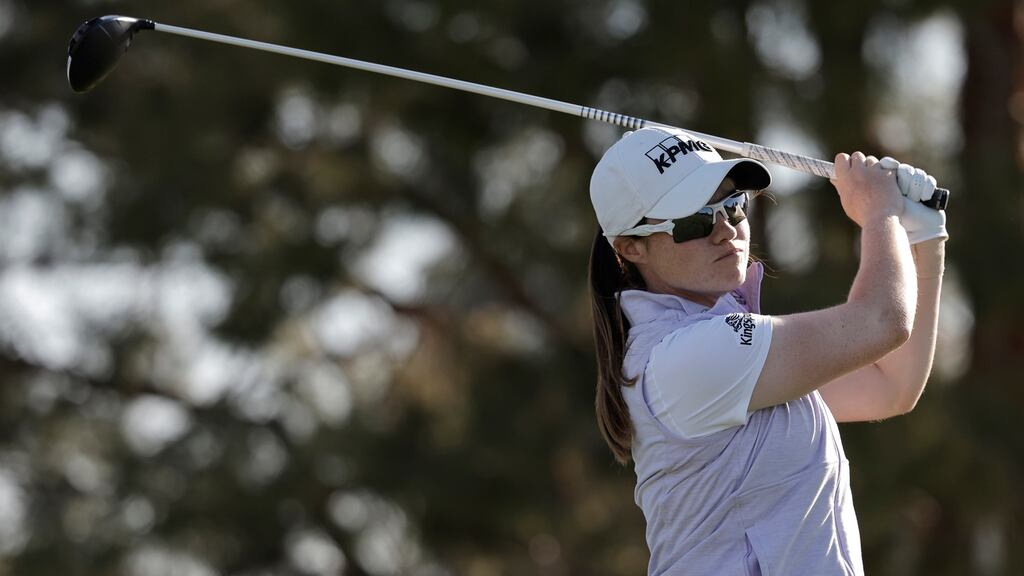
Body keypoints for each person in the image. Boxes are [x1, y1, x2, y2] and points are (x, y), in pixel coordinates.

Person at [587, 126, 947, 575]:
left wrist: (923, 240)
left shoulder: (723, 349)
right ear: (630, 247)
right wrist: (879, 215)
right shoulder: (685, 357)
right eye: (695, 221)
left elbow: (889, 386)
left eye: (732, 206)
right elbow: (880, 321)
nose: (725, 231)